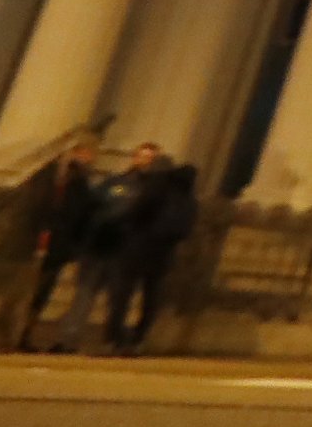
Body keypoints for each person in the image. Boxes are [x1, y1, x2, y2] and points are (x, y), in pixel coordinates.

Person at [50, 144, 150, 354]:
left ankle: (113, 341)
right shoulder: (115, 182)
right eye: (142, 157)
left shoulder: (150, 190)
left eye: (149, 159)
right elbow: (92, 204)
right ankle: (68, 339)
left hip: (123, 250)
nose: (144, 162)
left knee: (117, 300)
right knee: (84, 295)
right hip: (98, 246)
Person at [13, 139, 104, 353]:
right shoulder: (69, 180)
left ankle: (20, 334)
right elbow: (73, 213)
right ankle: (18, 335)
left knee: (35, 291)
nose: (90, 159)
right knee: (35, 291)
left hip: (50, 242)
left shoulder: (56, 177)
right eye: (88, 155)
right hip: (52, 242)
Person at [113, 154, 200, 353]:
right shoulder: (189, 197)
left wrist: (125, 224)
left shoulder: (157, 188)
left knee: (123, 294)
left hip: (139, 247)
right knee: (151, 297)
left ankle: (117, 338)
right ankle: (139, 337)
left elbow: (137, 212)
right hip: (164, 253)